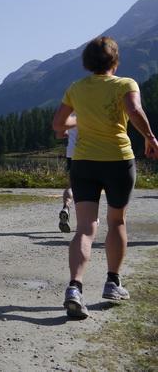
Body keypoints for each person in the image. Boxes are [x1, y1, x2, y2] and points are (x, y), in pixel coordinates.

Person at [53, 36, 158, 319]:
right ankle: (112, 283)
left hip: (83, 163)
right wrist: (150, 138)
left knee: (85, 228)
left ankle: (74, 288)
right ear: (115, 60)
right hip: (117, 161)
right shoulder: (126, 84)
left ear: (87, 62)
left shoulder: (76, 87)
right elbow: (134, 110)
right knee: (116, 221)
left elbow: (59, 124)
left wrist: (81, 119)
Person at [55, 123, 77, 233]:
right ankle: (90, 220)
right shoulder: (94, 112)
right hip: (91, 152)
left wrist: (72, 133)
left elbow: (59, 134)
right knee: (92, 187)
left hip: (72, 153)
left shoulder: (69, 113)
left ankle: (66, 207)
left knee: (71, 185)